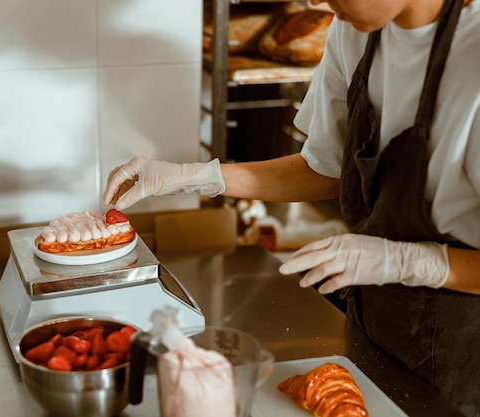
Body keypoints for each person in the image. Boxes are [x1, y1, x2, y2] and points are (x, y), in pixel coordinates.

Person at [102, 0, 480, 415]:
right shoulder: (353, 29)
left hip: (462, 358)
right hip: (375, 327)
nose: (314, 2)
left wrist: (410, 261)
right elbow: (324, 168)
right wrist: (195, 176)